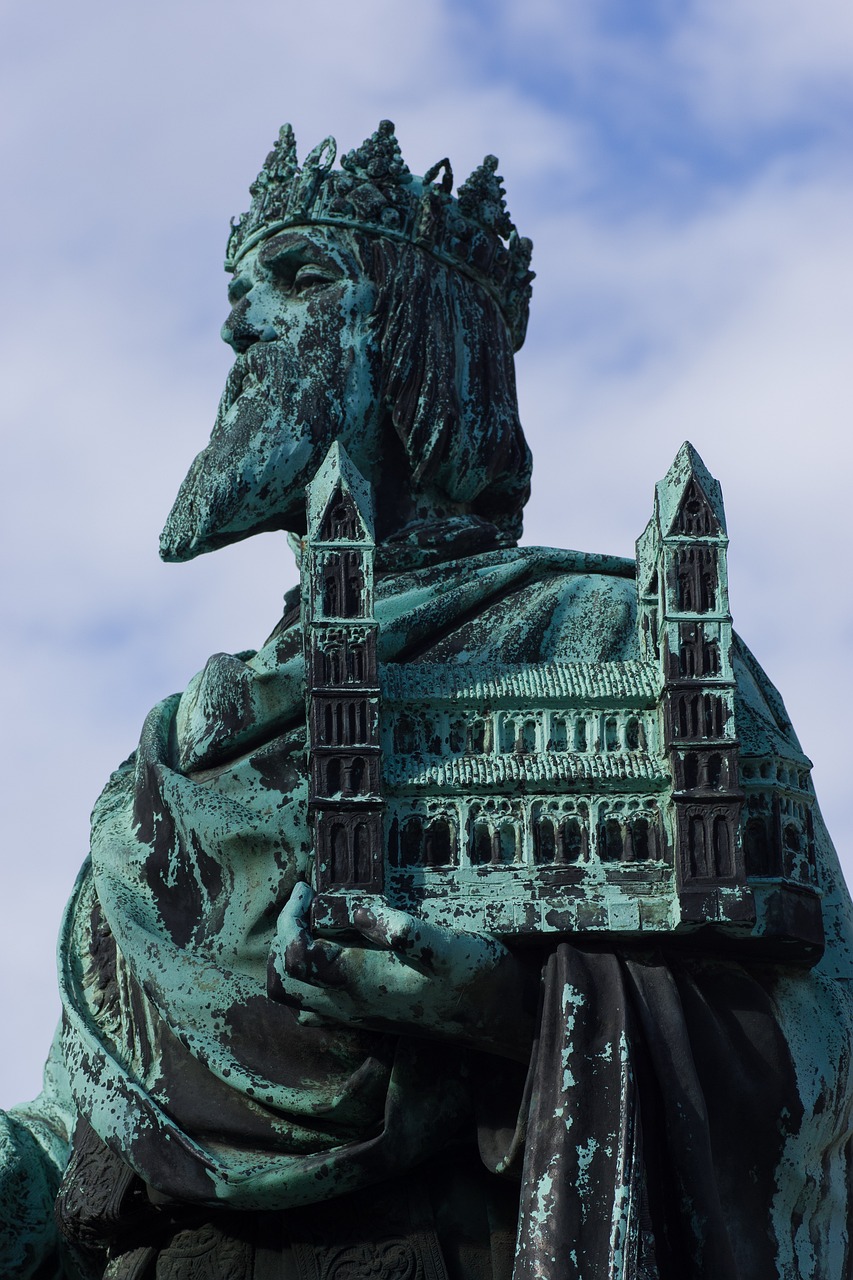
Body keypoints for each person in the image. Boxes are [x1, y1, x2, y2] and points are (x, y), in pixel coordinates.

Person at [1, 121, 852, 1280]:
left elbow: (819, 1057)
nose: (235, 323)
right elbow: (77, 1139)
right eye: (237, 290)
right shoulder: (168, 766)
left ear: (417, 337)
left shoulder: (613, 639)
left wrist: (511, 1012)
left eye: (296, 279)